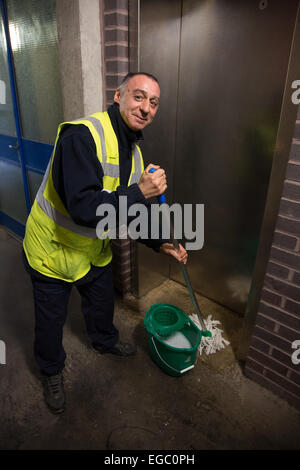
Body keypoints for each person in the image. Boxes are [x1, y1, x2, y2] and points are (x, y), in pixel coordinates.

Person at [22, 72, 188, 414]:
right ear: (119, 96)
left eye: (153, 102)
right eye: (138, 97)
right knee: (50, 322)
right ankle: (51, 371)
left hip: (93, 250)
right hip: (52, 249)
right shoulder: (82, 136)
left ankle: (104, 341)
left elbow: (125, 211)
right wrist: (141, 191)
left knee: (101, 305)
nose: (145, 108)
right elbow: (84, 207)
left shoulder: (136, 154)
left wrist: (160, 243)